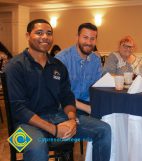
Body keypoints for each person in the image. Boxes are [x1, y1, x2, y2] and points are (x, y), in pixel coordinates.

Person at [4, 19, 111, 161]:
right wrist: (54, 129)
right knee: (37, 148)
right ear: (27, 35)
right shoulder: (14, 66)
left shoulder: (57, 65)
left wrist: (72, 120)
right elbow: (18, 109)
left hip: (56, 117)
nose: (45, 37)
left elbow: (67, 96)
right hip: (19, 127)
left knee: (103, 130)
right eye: (39, 33)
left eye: (49, 33)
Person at [55, 23, 102, 115]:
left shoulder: (96, 60)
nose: (89, 42)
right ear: (77, 37)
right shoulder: (62, 59)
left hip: (89, 104)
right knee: (104, 128)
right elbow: (58, 94)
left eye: (92, 39)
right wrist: (88, 109)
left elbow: (97, 89)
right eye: (85, 37)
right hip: (65, 107)